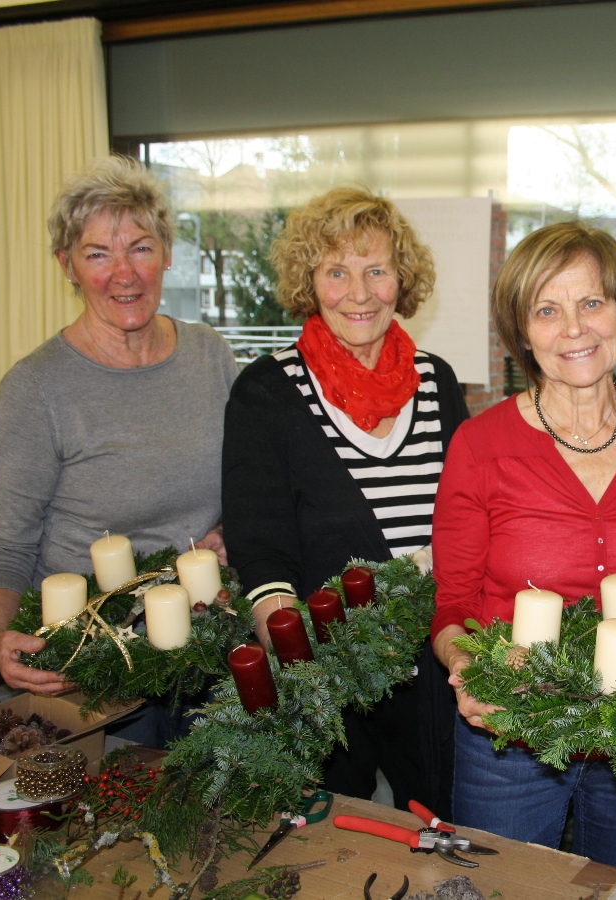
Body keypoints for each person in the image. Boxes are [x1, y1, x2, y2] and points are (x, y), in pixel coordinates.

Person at [430, 221, 616, 870]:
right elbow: (454, 605)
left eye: (591, 302)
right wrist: (466, 665)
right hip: (511, 733)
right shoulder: (481, 447)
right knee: (504, 888)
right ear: (522, 332)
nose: (575, 328)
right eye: (547, 310)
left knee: (614, 890)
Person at [0, 156, 237, 743]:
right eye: (97, 255)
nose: (125, 274)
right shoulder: (36, 388)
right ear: (66, 265)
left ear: (167, 253)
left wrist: (229, 530)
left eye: (140, 248)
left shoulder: (209, 355)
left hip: (207, 649)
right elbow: (6, 544)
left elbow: (249, 485)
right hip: (93, 667)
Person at [222, 187, 468, 816]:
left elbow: (468, 522)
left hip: (434, 665)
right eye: (336, 272)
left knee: (440, 823)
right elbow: (260, 548)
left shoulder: (437, 381)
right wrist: (297, 667)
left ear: (401, 279)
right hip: (325, 669)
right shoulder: (266, 391)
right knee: (330, 835)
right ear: (309, 282)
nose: (358, 293)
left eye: (376, 270)